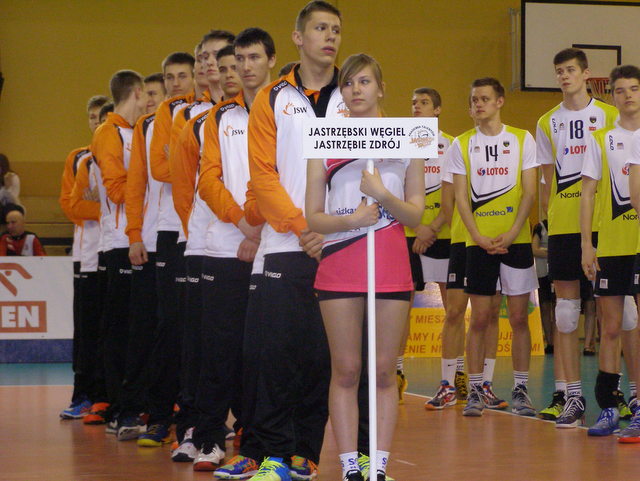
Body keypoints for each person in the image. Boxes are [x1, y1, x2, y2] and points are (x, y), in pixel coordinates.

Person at [306, 53, 423, 481]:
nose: (356, 90)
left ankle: (379, 465)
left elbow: (416, 215)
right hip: (340, 263)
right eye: (349, 83)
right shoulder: (325, 139)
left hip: (390, 264)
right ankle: (349, 466)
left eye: (365, 81)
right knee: (346, 369)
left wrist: (383, 195)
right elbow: (313, 217)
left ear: (381, 88)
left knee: (383, 371)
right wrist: (352, 221)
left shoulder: (408, 139)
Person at [245, 2, 344, 480]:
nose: (330, 36)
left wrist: (333, 228)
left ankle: (306, 452)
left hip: (341, 247)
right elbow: (262, 176)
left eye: (336, 29)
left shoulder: (355, 92)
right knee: (276, 355)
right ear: (299, 37)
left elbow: (371, 167)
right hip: (287, 245)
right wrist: (303, 226)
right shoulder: (271, 98)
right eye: (320, 28)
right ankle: (274, 455)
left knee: (323, 357)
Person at [189, 31, 273, 472]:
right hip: (225, 248)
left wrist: (260, 230)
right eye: (236, 61)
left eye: (249, 59)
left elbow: (282, 176)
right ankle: (207, 439)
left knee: (261, 353)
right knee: (217, 349)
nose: (240, 68)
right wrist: (244, 224)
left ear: (270, 61)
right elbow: (208, 180)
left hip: (275, 248)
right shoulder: (218, 119)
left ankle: (257, 440)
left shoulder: (285, 110)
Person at [537, 48, 618, 427]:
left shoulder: (610, 115)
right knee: (567, 314)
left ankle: (627, 397)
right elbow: (546, 177)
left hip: (608, 223)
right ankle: (572, 397)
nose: (564, 76)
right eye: (559, 71)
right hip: (565, 225)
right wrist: (547, 219)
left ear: (586, 74)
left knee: (621, 313)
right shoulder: (547, 121)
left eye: (570, 70)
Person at [450, 77, 539, 418]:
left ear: (500, 101)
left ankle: (520, 390)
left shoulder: (522, 139)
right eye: (474, 100)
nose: (478, 105)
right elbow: (460, 198)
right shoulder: (461, 144)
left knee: (518, 317)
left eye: (484, 99)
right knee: (480, 318)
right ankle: (475, 390)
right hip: (478, 243)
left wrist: (514, 231)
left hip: (516, 242)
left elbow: (530, 192)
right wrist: (477, 235)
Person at [580, 65, 640, 436]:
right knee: (611, 326)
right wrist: (587, 244)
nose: (628, 95)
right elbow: (587, 193)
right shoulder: (601, 139)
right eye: (620, 90)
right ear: (612, 96)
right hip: (613, 244)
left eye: (634, 88)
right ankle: (608, 407)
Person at [90, 69, 145, 434]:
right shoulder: (108, 132)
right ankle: (119, 405)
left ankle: (134, 402)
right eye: (147, 94)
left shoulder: (132, 131)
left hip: (135, 239)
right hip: (118, 242)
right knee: (120, 326)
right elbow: (115, 188)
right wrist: (150, 184)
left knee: (136, 325)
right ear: (136, 92)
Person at [115, 73, 167, 441]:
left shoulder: (185, 123)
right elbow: (134, 189)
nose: (149, 100)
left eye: (155, 94)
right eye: (146, 94)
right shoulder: (143, 130)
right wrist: (134, 234)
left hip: (181, 242)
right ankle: (130, 410)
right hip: (149, 242)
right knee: (143, 330)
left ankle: (167, 408)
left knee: (174, 331)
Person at [58, 94, 109, 420]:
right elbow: (71, 205)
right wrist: (106, 208)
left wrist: (102, 206)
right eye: (93, 118)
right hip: (87, 255)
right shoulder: (80, 158)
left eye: (102, 118)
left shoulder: (125, 153)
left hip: (116, 254)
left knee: (111, 330)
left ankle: (108, 397)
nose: (97, 123)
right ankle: (83, 395)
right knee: (86, 330)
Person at [401, 87, 453, 404]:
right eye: (413, 103)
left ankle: (453, 377)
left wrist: (430, 229)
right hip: (409, 236)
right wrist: (417, 229)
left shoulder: (451, 146)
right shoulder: (402, 147)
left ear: (437, 110)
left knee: (453, 310)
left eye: (424, 103)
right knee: (400, 309)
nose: (417, 107)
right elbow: (395, 193)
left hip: (443, 236)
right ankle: (396, 373)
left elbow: (454, 197)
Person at [532, 217, 555, 355]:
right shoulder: (540, 227)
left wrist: (544, 251)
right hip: (542, 274)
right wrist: (552, 253)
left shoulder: (561, 224)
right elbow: (534, 249)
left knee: (559, 307)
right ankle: (550, 342)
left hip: (558, 272)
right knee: (545, 307)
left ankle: (559, 341)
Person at [0, 153, 21, 224]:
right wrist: (4, 189)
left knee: (10, 208)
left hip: (12, 207)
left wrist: (7, 189)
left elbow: (13, 199)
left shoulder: (13, 177)